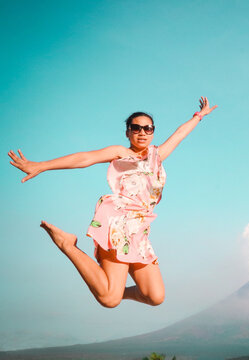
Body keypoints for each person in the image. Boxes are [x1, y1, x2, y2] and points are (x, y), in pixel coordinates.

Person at [8, 97, 217, 308]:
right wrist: (42, 166)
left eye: (148, 128)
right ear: (128, 132)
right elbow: (84, 158)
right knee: (109, 299)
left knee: (155, 296)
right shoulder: (120, 152)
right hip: (118, 222)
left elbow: (180, 134)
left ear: (153, 131)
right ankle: (68, 245)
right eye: (136, 128)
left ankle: (117, 291)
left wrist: (200, 115)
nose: (142, 132)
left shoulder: (157, 155)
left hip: (140, 228)